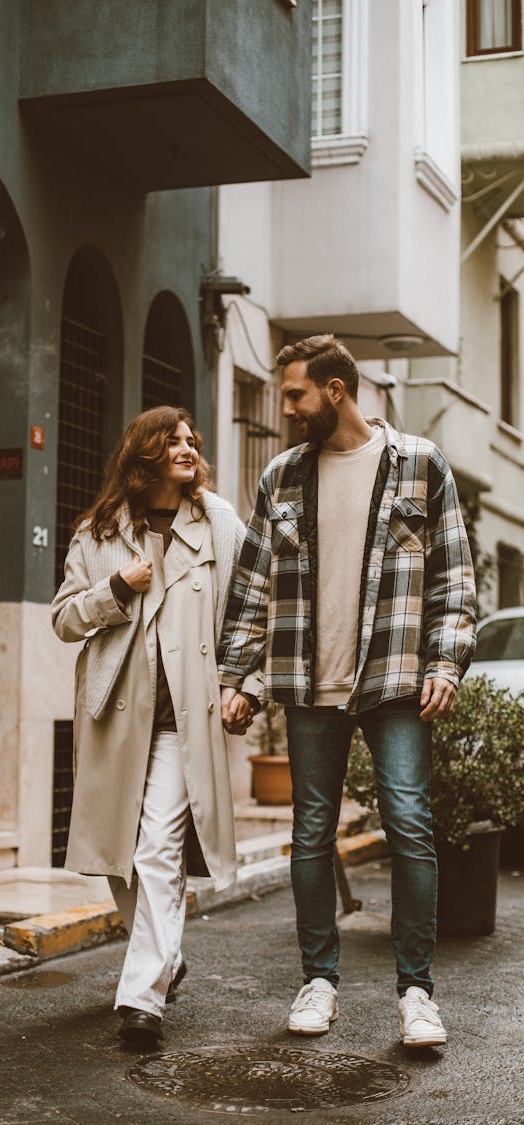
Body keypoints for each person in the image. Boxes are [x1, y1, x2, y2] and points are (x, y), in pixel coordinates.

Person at [218, 335, 476, 1048]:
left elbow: (454, 577)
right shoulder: (281, 477)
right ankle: (318, 979)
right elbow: (251, 587)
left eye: (296, 395)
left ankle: (417, 992)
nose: (288, 409)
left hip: (393, 678)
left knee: (410, 826)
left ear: (335, 390)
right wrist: (239, 678)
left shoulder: (420, 465)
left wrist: (445, 662)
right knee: (310, 830)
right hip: (307, 683)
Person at [52, 406, 260, 1049]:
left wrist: (246, 685)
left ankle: (143, 999)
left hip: (182, 724)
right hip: (114, 717)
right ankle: (165, 956)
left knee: (155, 850)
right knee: (121, 860)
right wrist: (114, 587)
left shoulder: (219, 522)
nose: (187, 447)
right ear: (143, 452)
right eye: (172, 439)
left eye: (192, 439)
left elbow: (253, 611)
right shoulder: (99, 531)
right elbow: (63, 620)